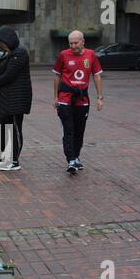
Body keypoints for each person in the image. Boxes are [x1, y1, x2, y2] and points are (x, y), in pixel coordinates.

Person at [0, 26, 33, 171]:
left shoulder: (20, 53)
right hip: (6, 98)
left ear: (8, 40)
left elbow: (10, 75)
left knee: (15, 129)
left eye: (1, 42)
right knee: (3, 127)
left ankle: (14, 161)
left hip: (17, 99)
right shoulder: (9, 52)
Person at [53, 30, 104, 174]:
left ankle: (76, 156)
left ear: (83, 41)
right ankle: (70, 159)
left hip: (82, 99)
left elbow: (97, 76)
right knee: (68, 129)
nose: (73, 46)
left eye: (75, 43)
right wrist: (56, 97)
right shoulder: (63, 55)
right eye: (70, 43)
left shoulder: (91, 55)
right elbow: (57, 76)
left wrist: (100, 98)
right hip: (65, 98)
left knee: (79, 131)